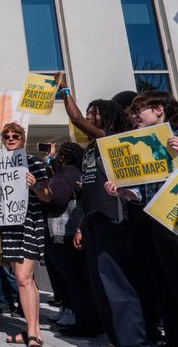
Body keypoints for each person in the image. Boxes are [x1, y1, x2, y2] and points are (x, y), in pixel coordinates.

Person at [55, 72, 148, 347]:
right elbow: (92, 193)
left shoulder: (112, 138)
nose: (87, 117)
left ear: (106, 117)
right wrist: (83, 224)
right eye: (87, 113)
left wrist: (64, 91)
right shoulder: (92, 149)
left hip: (113, 218)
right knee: (99, 283)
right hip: (94, 218)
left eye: (93, 114)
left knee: (115, 281)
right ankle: (113, 338)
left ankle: (132, 340)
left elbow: (76, 120)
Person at [104, 90, 178, 345]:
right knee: (165, 285)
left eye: (139, 111)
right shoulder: (145, 144)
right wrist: (125, 192)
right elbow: (145, 193)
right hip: (156, 226)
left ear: (159, 110)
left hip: (174, 222)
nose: (134, 117)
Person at [40, 142, 102, 338]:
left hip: (64, 235)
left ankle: (85, 322)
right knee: (84, 279)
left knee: (75, 281)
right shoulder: (84, 172)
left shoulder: (62, 177)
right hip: (81, 231)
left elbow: (57, 200)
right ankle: (92, 320)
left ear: (63, 158)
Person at [0, 123, 49, 346]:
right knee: (24, 279)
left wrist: (35, 185)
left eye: (15, 135)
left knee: (23, 278)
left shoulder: (33, 162)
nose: (11, 138)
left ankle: (33, 334)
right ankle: (33, 330)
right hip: (8, 227)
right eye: (7, 136)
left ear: (23, 139)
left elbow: (47, 196)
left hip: (28, 224)